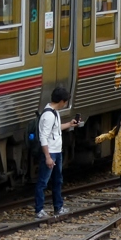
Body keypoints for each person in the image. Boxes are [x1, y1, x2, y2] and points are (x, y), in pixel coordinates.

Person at [34, 87, 79, 220]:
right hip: (51, 153)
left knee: (57, 181)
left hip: (57, 152)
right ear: (61, 101)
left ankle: (58, 207)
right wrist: (48, 157)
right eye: (65, 102)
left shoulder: (54, 112)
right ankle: (39, 210)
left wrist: (70, 124)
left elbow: (56, 128)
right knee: (43, 182)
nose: (65, 104)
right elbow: (43, 137)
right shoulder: (48, 116)